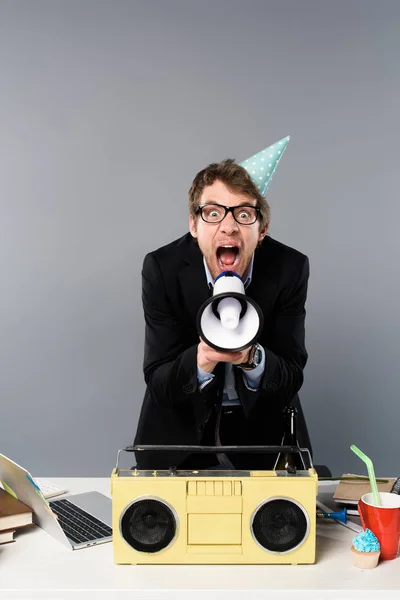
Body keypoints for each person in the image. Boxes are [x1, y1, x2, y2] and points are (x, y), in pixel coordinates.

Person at [134, 136, 312, 470]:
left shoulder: (289, 268)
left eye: (244, 214)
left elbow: (291, 376)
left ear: (262, 230)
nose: (228, 226)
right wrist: (201, 360)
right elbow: (157, 379)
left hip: (264, 444)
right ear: (194, 225)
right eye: (213, 213)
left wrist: (251, 358)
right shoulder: (162, 269)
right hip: (176, 440)